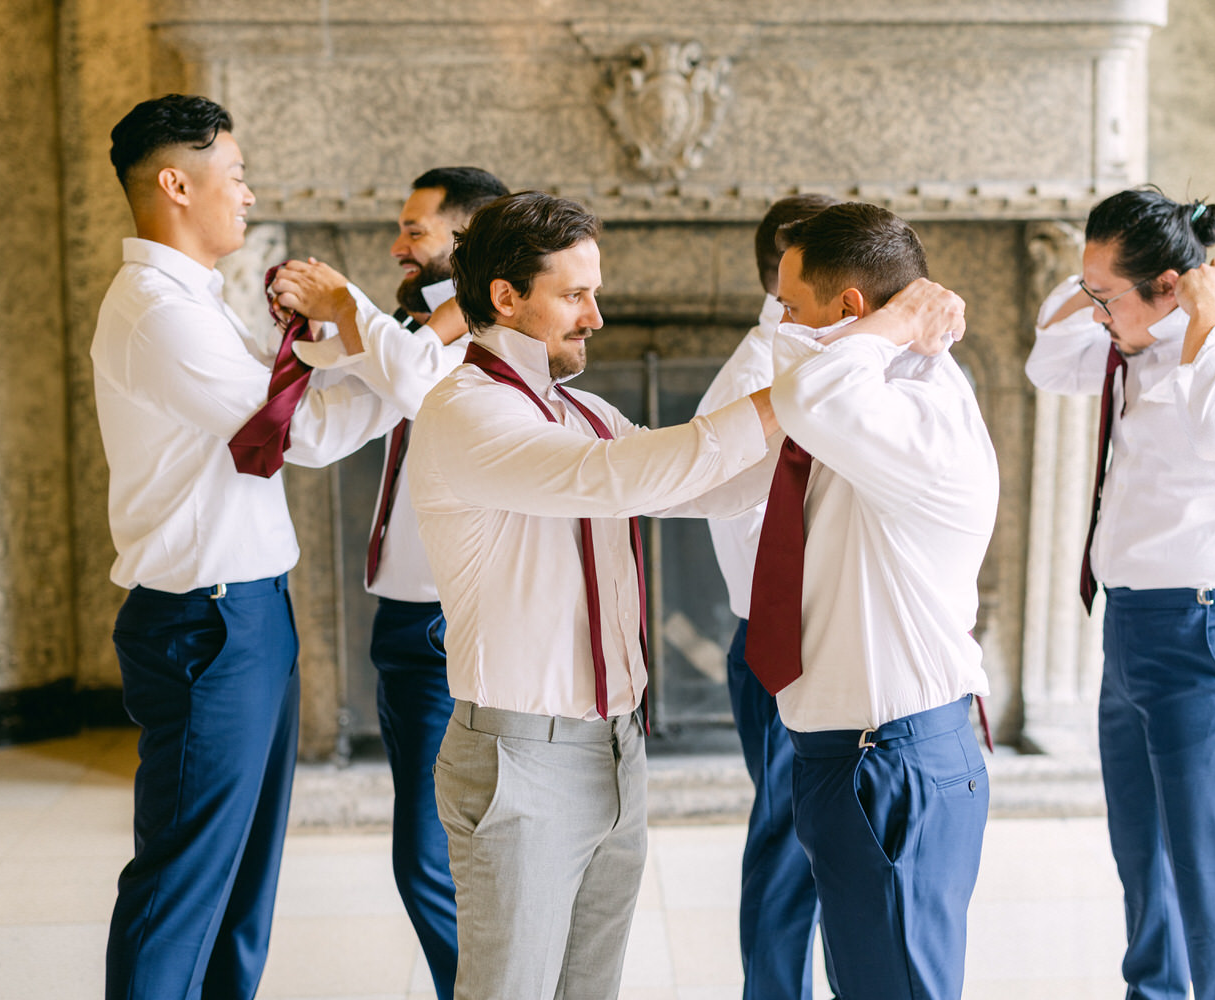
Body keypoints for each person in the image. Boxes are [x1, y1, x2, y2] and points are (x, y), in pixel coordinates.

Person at [407, 191, 784, 1000]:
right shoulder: (464, 410)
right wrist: (788, 397)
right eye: (574, 294)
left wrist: (828, 419)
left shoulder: (580, 409)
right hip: (521, 758)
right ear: (506, 297)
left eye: (595, 292)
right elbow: (615, 480)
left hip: (617, 746)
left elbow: (704, 487)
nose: (596, 316)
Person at [92, 94, 401, 1000]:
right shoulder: (157, 311)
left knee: (242, 886)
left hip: (252, 612)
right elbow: (291, 437)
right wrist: (421, 351)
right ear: (176, 183)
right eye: (234, 175)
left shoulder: (200, 300)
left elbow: (296, 406)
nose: (250, 193)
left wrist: (385, 350)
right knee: (184, 881)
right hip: (205, 625)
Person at [1025, 186, 1215, 1000]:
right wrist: (1098, 286)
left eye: (1104, 296)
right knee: (1143, 860)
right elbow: (1045, 360)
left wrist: (1209, 319)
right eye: (1091, 292)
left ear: (1172, 286)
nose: (1095, 314)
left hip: (1212, 634)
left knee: (1207, 869)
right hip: (1133, 629)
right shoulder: (1131, 338)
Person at [266, 166, 509, 998]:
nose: (398, 245)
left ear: (466, 242)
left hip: (447, 619)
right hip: (405, 619)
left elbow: (411, 377)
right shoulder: (415, 327)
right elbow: (326, 424)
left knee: (433, 860)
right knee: (431, 856)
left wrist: (350, 314)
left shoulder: (489, 327)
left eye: (416, 230)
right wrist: (321, 341)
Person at [751, 201, 1000, 1000]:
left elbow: (809, 393)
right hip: (849, 751)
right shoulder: (872, 390)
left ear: (853, 307)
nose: (780, 323)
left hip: (888, 759)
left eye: (791, 306)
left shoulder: (917, 410)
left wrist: (890, 328)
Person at [693, 192, 839, 1000]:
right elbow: (755, 536)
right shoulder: (756, 378)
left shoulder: (818, 361)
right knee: (789, 846)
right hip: (785, 649)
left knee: (812, 843)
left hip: (816, 646)